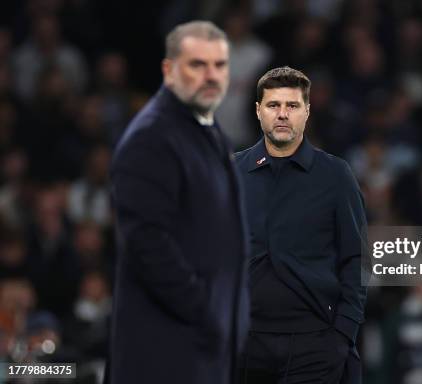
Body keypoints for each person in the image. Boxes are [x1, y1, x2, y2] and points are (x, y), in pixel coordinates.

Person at [109, 21, 249, 384]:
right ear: (169, 70)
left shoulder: (208, 132)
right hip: (165, 352)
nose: (211, 76)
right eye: (197, 65)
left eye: (219, 65)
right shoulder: (152, 137)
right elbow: (147, 241)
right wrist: (204, 311)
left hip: (203, 349)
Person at [235, 66, 367, 383]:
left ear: (307, 112)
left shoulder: (335, 175)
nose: (282, 114)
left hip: (316, 345)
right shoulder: (230, 173)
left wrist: (343, 334)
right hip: (242, 345)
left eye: (292, 106)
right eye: (273, 105)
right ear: (258, 111)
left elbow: (358, 257)